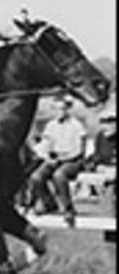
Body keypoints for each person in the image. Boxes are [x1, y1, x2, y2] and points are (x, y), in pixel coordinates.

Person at [27, 94, 87, 226]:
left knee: (59, 175)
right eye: (55, 109)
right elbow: (46, 145)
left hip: (73, 160)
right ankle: (49, 202)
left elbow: (78, 151)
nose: (58, 112)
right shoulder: (51, 125)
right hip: (56, 159)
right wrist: (47, 156)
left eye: (61, 109)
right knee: (36, 177)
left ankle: (68, 209)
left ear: (67, 109)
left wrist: (61, 158)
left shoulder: (77, 126)